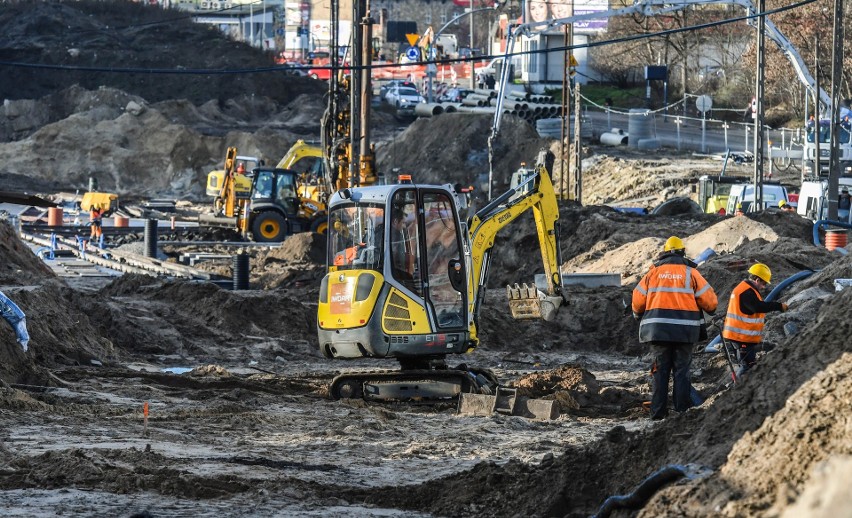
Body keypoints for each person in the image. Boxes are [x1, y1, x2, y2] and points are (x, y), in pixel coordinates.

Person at [632, 236, 718, 420]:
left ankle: (657, 414)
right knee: (681, 372)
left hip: (658, 332)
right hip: (685, 333)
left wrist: (638, 314)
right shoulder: (691, 273)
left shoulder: (653, 273)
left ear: (664, 252)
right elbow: (710, 302)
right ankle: (681, 413)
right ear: (682, 253)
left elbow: (637, 301)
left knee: (660, 372)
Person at [722, 263, 787, 378]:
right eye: (763, 284)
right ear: (757, 280)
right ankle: (737, 390)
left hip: (739, 336)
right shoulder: (746, 292)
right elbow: (758, 307)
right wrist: (778, 306)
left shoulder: (745, 289)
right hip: (740, 336)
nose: (764, 287)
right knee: (747, 366)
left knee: (747, 364)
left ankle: (738, 386)